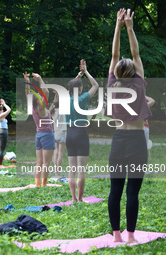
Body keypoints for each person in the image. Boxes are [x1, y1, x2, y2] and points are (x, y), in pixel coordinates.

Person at [106, 8, 152, 243]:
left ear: (115, 73)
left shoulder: (113, 84)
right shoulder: (139, 84)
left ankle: (116, 236)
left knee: (116, 191)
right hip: (136, 142)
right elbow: (135, 54)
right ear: (134, 73)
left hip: (118, 141)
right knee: (132, 192)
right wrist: (130, 27)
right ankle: (131, 237)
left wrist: (118, 27)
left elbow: (115, 56)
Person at [65, 59, 99, 202]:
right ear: (79, 88)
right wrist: (85, 72)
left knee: (72, 169)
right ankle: (80, 198)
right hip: (81, 133)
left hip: (69, 134)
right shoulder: (83, 98)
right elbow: (95, 85)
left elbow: (70, 88)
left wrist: (78, 77)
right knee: (81, 170)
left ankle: (73, 199)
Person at [24, 71, 54, 187]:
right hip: (47, 135)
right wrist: (40, 79)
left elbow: (27, 93)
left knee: (39, 162)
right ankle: (44, 185)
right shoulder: (41, 107)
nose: (41, 95)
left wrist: (27, 82)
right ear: (37, 99)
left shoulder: (33, 107)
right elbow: (46, 91)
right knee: (46, 162)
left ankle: (37, 184)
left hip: (39, 136)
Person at [49, 93, 67, 175]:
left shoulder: (52, 111)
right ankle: (58, 172)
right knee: (60, 153)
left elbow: (54, 103)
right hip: (62, 132)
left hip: (55, 132)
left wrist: (56, 95)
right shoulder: (63, 111)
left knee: (56, 152)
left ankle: (55, 169)